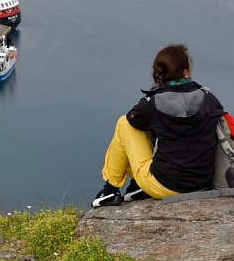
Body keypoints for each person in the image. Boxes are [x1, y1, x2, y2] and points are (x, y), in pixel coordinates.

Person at [91, 44, 224, 207]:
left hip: (166, 187)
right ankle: (136, 188)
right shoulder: (208, 98)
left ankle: (110, 189)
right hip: (202, 185)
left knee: (124, 123)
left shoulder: (153, 104)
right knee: (148, 124)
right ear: (186, 72)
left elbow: (133, 118)